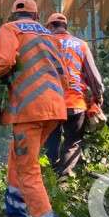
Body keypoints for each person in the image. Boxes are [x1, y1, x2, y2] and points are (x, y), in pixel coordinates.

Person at [0, 0, 69, 217]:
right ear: (37, 16)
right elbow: (65, 76)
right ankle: (15, 213)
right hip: (55, 107)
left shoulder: (11, 29)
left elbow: (4, 63)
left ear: (12, 15)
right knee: (16, 158)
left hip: (29, 110)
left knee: (28, 168)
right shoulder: (49, 36)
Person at [43, 13, 104, 178]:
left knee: (51, 140)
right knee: (73, 141)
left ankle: (49, 174)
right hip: (76, 103)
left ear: (49, 27)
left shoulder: (44, 44)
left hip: (51, 103)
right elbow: (94, 78)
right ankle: (63, 177)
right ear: (65, 27)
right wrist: (98, 98)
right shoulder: (81, 45)